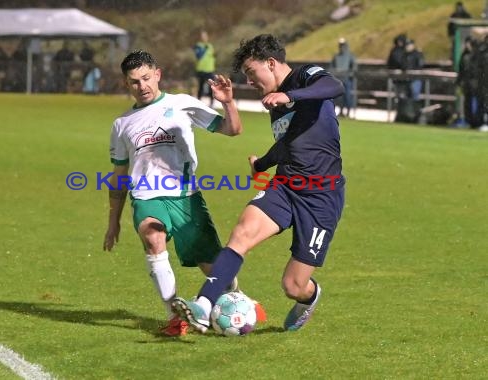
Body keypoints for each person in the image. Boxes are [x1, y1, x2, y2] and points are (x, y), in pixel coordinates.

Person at [172, 34, 345, 333]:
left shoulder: (306, 77)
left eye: (252, 73)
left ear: (271, 63)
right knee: (242, 233)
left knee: (293, 285)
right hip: (286, 186)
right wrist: (263, 164)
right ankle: (203, 304)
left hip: (321, 196)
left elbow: (335, 87)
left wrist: (291, 96)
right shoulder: (275, 104)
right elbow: (287, 143)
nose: (250, 82)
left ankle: (309, 298)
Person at [104, 50, 252, 336]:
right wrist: (113, 222)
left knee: (216, 271)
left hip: (186, 198)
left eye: (146, 78)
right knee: (153, 236)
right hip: (146, 196)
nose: (142, 86)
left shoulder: (182, 104)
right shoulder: (121, 125)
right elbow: (118, 176)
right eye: (134, 82)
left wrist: (229, 103)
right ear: (126, 84)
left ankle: (235, 299)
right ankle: (176, 317)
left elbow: (232, 130)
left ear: (158, 74)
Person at [330, 37, 357, 117]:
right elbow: (332, 67)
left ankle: (348, 112)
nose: (341, 47)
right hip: (338, 80)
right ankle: (341, 111)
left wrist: (350, 75)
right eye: (340, 45)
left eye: (343, 45)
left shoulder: (350, 56)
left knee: (348, 96)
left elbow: (354, 67)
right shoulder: (336, 56)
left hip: (347, 79)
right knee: (339, 98)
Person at [193, 30, 216, 106]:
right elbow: (198, 56)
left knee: (211, 87)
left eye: (205, 36)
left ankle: (211, 104)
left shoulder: (210, 46)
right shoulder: (198, 46)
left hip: (210, 70)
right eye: (202, 36)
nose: (204, 37)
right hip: (201, 70)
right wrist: (204, 49)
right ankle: (198, 103)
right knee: (201, 87)